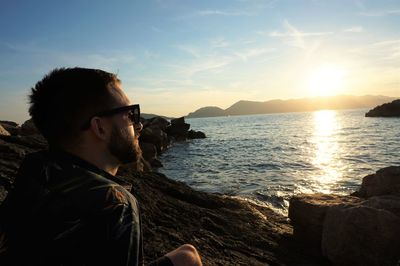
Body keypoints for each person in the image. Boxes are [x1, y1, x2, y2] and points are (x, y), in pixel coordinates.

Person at [0, 67, 202, 266]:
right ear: (100, 127)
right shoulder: (114, 204)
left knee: (187, 255)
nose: (139, 125)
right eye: (131, 114)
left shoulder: (36, 165)